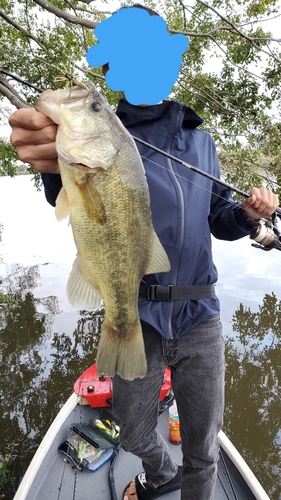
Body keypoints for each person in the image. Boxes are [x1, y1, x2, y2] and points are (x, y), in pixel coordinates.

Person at [8, 5, 279, 500]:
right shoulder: (101, 136)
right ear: (112, 71)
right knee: (131, 428)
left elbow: (220, 222)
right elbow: (65, 185)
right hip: (138, 311)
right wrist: (51, 156)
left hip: (200, 315)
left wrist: (247, 213)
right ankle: (159, 471)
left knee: (204, 447)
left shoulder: (200, 141)